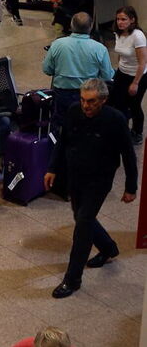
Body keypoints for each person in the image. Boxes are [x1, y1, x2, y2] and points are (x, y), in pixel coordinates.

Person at [45, 79, 138, 299]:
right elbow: (63, 141)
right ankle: (108, 248)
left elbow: (128, 154)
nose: (86, 105)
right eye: (83, 100)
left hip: (100, 179)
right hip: (76, 175)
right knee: (80, 216)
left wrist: (131, 186)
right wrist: (52, 168)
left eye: (92, 101)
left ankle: (72, 279)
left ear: (103, 101)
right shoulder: (74, 111)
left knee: (84, 224)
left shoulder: (115, 120)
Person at [43, 12, 114, 144]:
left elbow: (47, 69)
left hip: (62, 94)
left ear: (71, 25)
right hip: (89, 96)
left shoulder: (58, 44)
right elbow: (107, 76)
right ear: (91, 26)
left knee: (60, 126)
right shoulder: (99, 49)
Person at [107, 7, 147, 145]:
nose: (120, 22)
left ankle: (137, 132)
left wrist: (135, 83)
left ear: (132, 20)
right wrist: (119, 69)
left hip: (138, 75)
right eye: (118, 19)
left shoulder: (137, 36)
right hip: (122, 72)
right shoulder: (118, 33)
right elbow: (121, 53)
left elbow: (143, 62)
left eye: (124, 19)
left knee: (134, 105)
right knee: (118, 101)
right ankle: (121, 128)